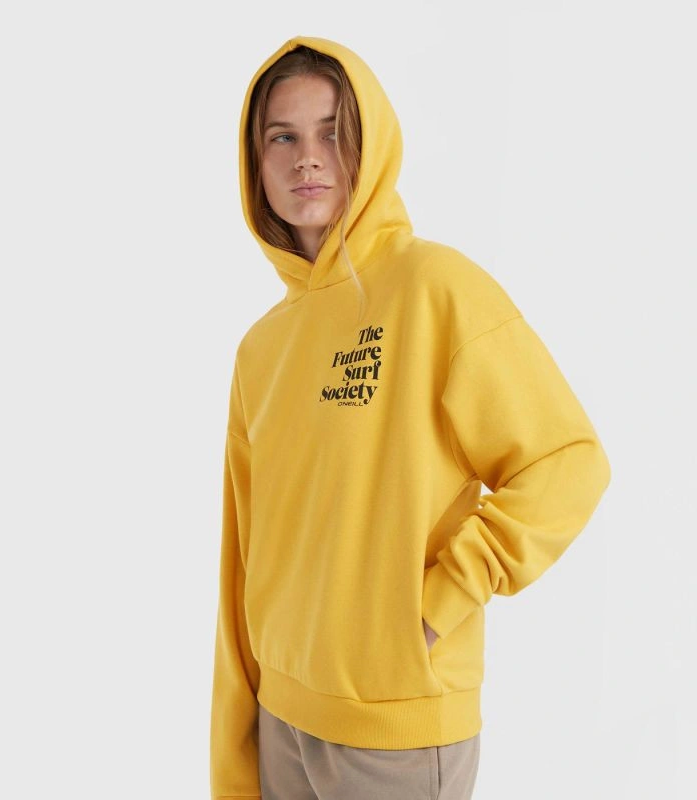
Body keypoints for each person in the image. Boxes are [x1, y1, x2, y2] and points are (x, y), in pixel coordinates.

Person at [209, 36, 611, 800]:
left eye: (333, 132)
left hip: (393, 730)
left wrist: (437, 603)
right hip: (280, 719)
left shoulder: (435, 289)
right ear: (254, 163)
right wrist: (238, 740)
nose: (308, 158)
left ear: (372, 143)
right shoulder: (261, 348)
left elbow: (567, 462)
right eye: (282, 138)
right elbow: (244, 558)